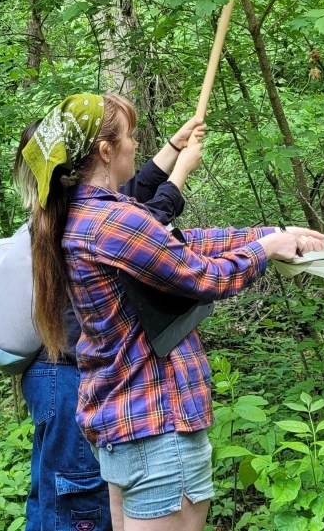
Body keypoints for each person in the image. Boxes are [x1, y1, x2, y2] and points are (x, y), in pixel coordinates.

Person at [20, 93, 324, 531]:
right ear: (105, 150)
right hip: (157, 420)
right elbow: (203, 277)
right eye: (129, 137)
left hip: (123, 420)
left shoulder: (86, 214)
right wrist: (263, 251)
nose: (134, 145)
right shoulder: (110, 222)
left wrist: (270, 235)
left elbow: (176, 242)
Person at [13, 109, 207, 531]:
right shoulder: (82, 221)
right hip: (66, 375)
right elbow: (146, 226)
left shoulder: (58, 210)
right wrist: (182, 172)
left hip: (53, 374)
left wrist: (172, 149)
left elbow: (134, 194)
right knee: (80, 503)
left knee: (53, 492)